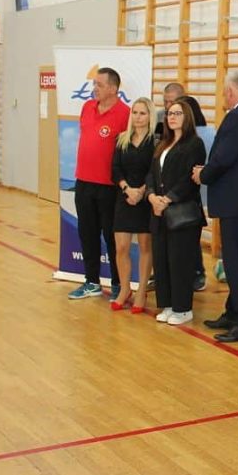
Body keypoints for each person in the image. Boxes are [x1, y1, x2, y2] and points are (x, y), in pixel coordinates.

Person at [192, 71, 238, 343]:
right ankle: (233, 311)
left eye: (225, 92)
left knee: (234, 262)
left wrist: (203, 174)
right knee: (236, 259)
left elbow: (224, 157)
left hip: (237, 201)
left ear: (231, 92)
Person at [68, 67, 130, 301]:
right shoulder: (87, 107)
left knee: (112, 238)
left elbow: (126, 152)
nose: (94, 88)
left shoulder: (125, 113)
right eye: (94, 84)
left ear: (113, 89)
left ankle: (118, 284)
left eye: (99, 85)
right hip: (83, 183)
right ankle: (91, 282)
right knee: (88, 234)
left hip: (109, 187)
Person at [147, 98, 206, 325]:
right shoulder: (162, 143)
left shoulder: (194, 144)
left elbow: (190, 179)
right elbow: (151, 174)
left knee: (179, 261)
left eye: (177, 113)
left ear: (187, 117)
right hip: (158, 211)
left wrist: (168, 199)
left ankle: (183, 309)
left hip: (181, 213)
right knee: (161, 260)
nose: (172, 117)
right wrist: (152, 196)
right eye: (169, 114)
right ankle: (168, 304)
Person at [110, 97, 156, 313]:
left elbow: (155, 171)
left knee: (146, 247)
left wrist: (142, 191)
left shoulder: (156, 142)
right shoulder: (122, 139)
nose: (138, 117)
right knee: (121, 247)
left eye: (142, 113)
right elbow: (115, 169)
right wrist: (127, 189)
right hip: (124, 197)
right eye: (135, 112)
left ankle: (141, 291)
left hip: (146, 200)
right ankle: (125, 288)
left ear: (150, 116)